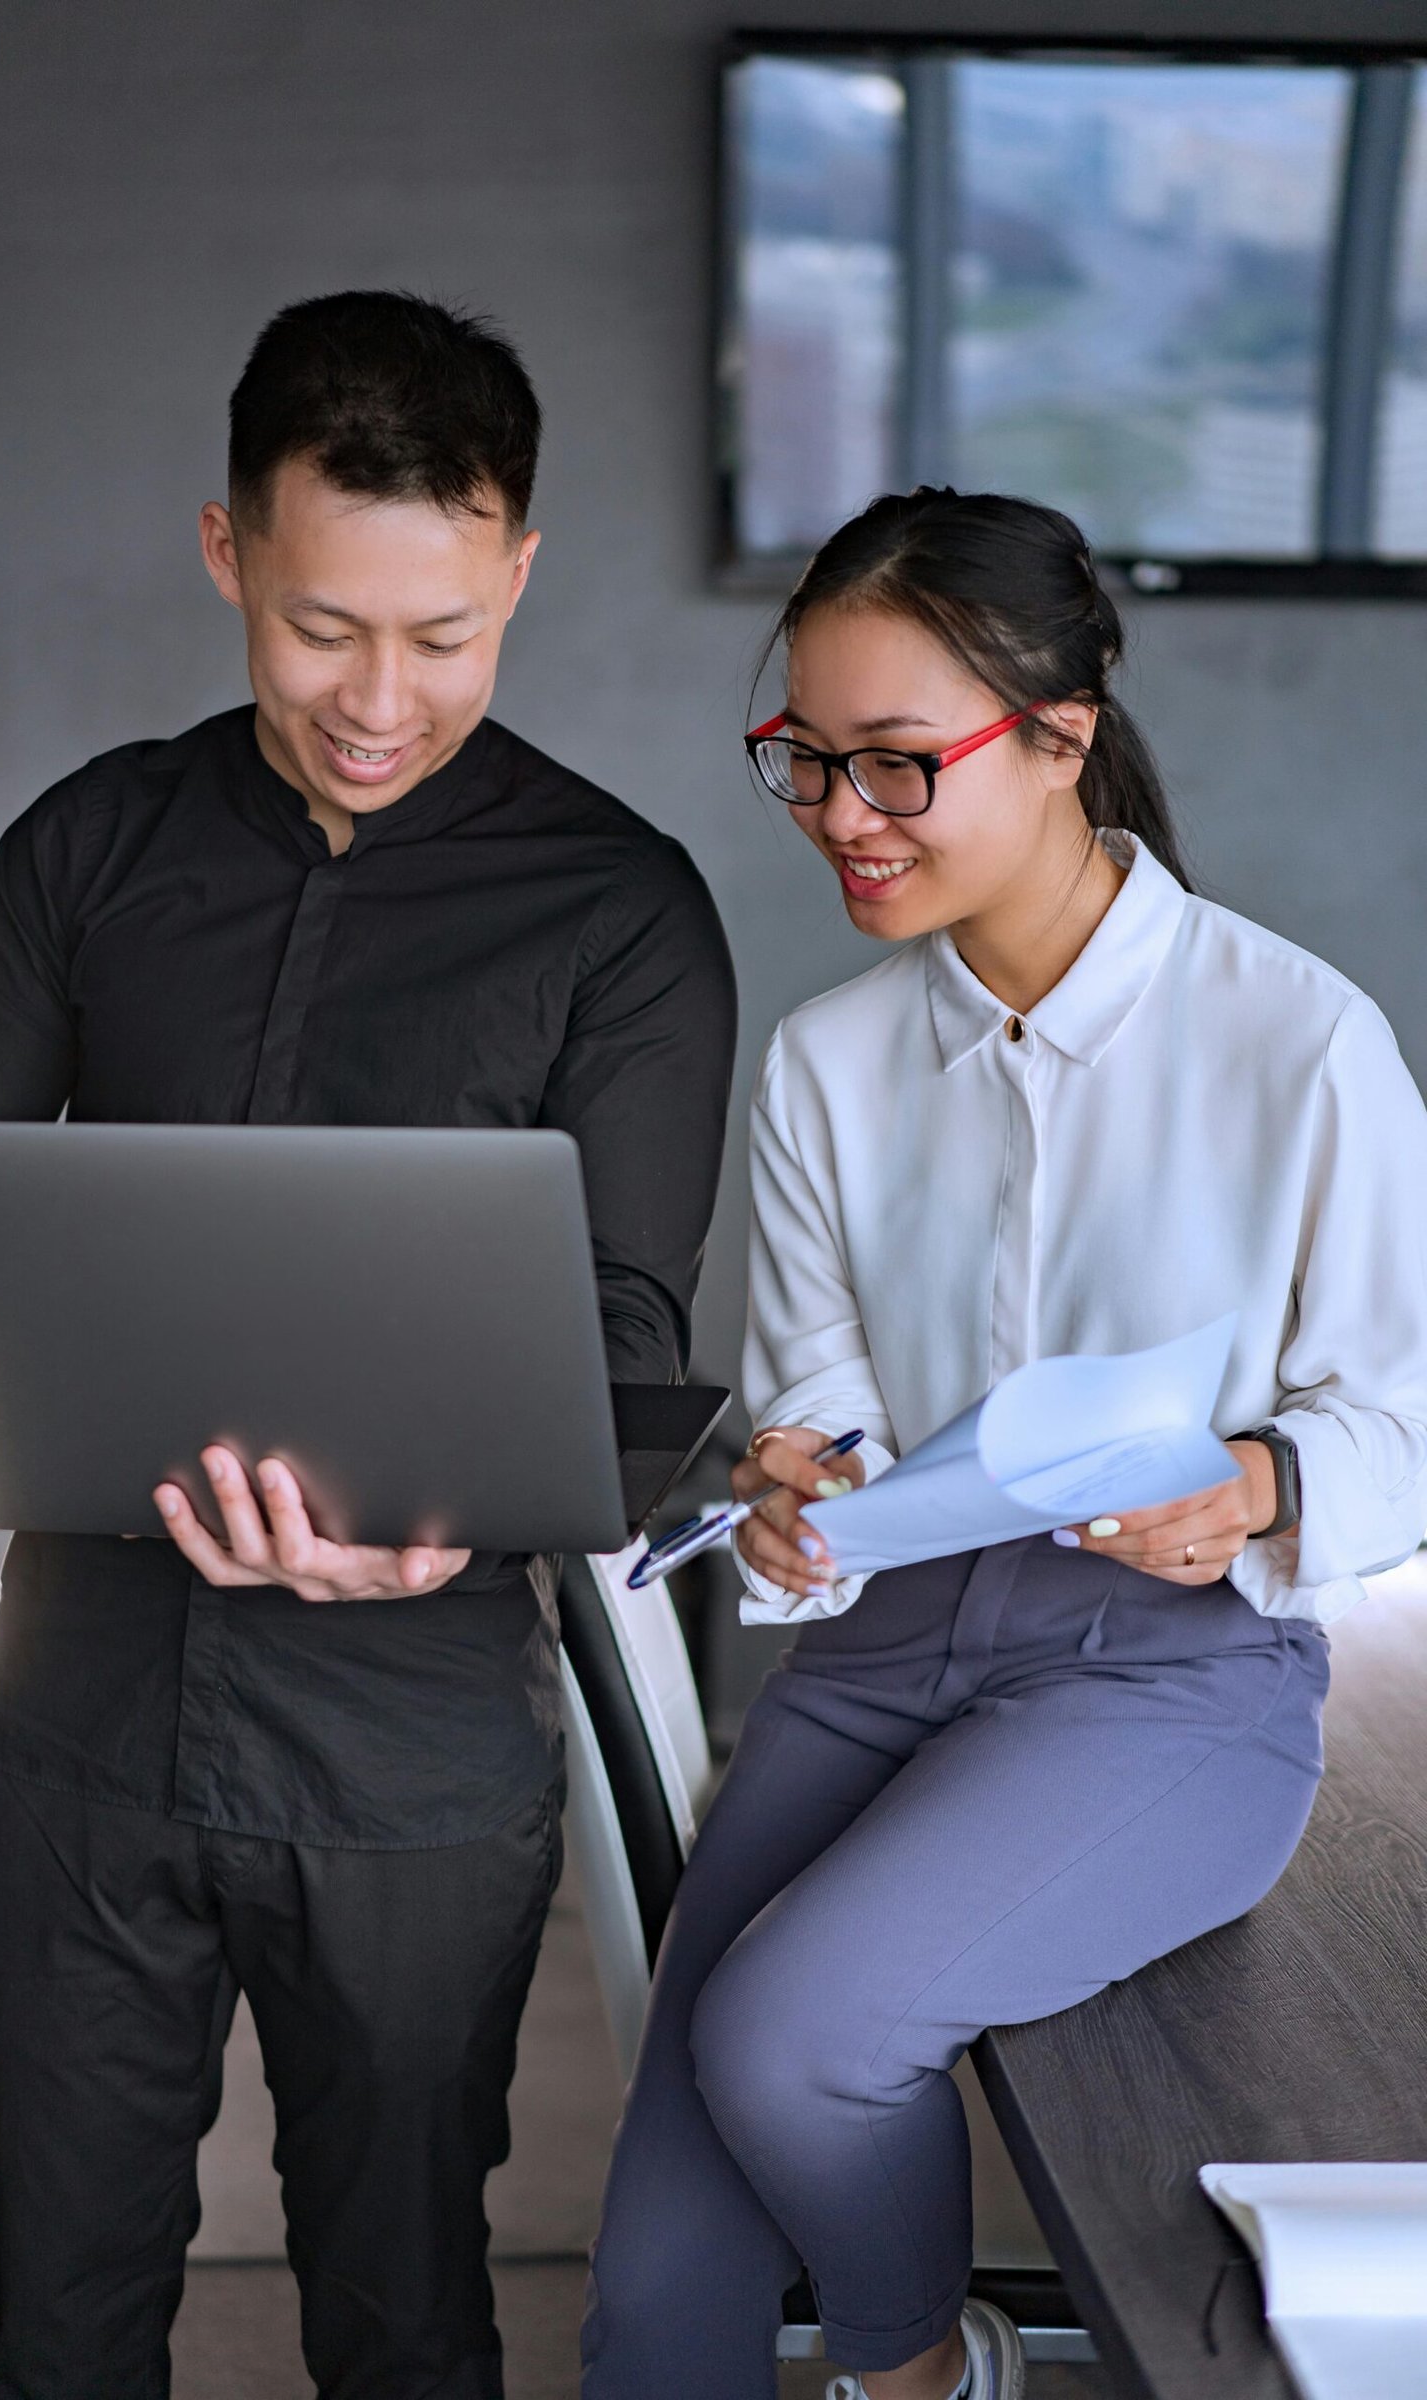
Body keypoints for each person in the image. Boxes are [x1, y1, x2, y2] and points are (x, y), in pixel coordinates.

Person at [0, 289, 736, 2400]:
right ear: (228, 547)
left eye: (445, 636)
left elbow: (615, 1341)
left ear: (517, 570)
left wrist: (425, 1521)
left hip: (412, 1752)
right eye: (324, 625)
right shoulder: (95, 844)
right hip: (72, 1720)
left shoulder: (619, 911)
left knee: (406, 2314)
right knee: (54, 2326)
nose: (377, 697)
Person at [580, 487, 1427, 2400]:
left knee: (796, 2032)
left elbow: (1406, 1416)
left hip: (1176, 1683)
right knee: (654, 2322)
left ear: (1063, 730)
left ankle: (914, 2373)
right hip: (885, 1660)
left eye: (897, 765)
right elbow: (821, 1406)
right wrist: (793, 1493)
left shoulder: (1301, 1043)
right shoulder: (826, 1058)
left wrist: (1260, 1486)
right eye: (804, 761)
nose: (839, 818)